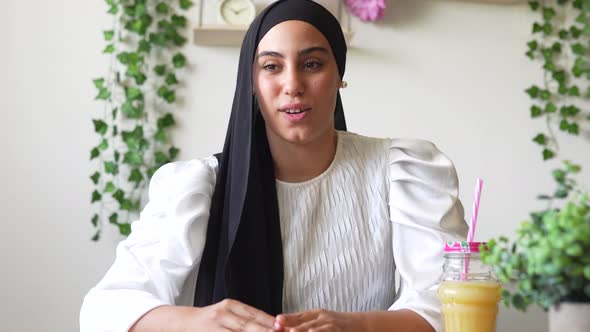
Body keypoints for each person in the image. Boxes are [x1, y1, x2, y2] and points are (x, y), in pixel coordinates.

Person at [80, 0, 468, 331]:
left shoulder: (402, 172)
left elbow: (447, 308)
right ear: (251, 82)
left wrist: (358, 325)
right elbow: (103, 310)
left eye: (312, 64)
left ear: (339, 75)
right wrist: (196, 321)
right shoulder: (198, 186)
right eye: (271, 66)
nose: (293, 84)